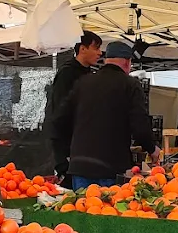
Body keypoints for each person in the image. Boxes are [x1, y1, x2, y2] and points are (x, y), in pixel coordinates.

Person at [51, 39, 154, 189]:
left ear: (106, 60)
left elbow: (59, 120)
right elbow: (140, 125)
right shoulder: (130, 85)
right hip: (110, 167)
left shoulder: (83, 82)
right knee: (107, 203)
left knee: (83, 203)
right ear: (127, 62)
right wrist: (152, 148)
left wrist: (66, 155)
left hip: (80, 166)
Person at [45, 30, 103, 179]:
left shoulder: (89, 74)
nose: (100, 53)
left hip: (82, 144)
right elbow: (60, 111)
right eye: (96, 48)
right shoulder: (67, 73)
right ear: (82, 49)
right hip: (68, 144)